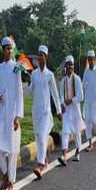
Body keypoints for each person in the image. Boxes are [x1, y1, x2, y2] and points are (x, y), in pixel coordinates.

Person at [0, 37, 24, 190]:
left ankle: (11, 183)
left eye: (11, 48)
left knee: (12, 150)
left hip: (12, 113)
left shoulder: (16, 68)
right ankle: (6, 177)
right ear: (2, 50)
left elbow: (19, 92)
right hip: (1, 113)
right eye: (6, 48)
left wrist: (17, 116)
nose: (9, 51)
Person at [28, 44, 62, 179]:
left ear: (46, 57)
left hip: (46, 113)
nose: (39, 58)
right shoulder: (34, 74)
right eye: (38, 55)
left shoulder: (50, 75)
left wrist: (59, 111)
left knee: (42, 137)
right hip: (35, 112)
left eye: (41, 55)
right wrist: (29, 81)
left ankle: (40, 165)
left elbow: (55, 94)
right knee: (38, 138)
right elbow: (30, 91)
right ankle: (45, 160)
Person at [58, 55, 85, 164]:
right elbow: (60, 95)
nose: (70, 67)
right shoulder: (63, 81)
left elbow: (81, 97)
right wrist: (62, 104)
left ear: (73, 66)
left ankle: (77, 152)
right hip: (66, 110)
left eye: (72, 65)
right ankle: (64, 156)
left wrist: (71, 100)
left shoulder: (77, 79)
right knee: (65, 132)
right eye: (68, 64)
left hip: (75, 109)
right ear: (65, 66)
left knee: (77, 131)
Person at [82, 50, 96, 150]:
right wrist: (84, 85)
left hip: (95, 100)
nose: (90, 61)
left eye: (92, 59)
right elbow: (83, 84)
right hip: (87, 100)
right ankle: (90, 144)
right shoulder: (86, 71)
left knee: (95, 120)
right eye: (89, 59)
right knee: (87, 121)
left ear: (94, 59)